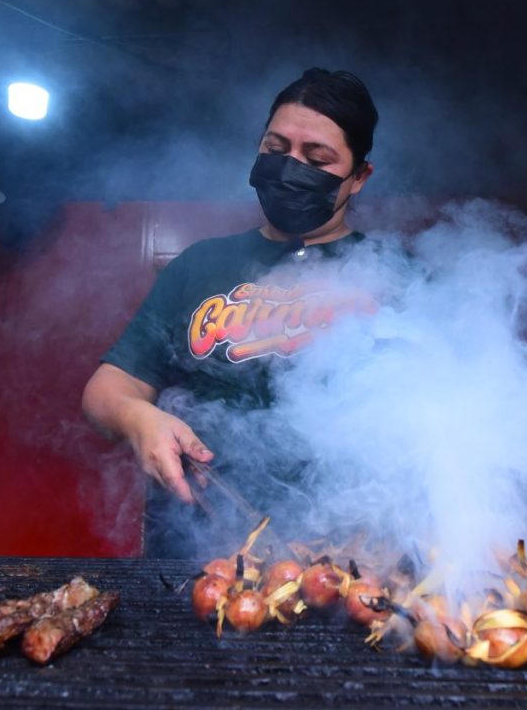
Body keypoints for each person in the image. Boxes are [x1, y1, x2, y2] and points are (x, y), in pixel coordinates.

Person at [82, 68, 379, 554]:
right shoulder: (201, 264)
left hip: (346, 560)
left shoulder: (399, 277)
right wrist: (138, 418)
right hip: (195, 549)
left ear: (359, 177)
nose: (289, 168)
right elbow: (108, 388)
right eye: (276, 149)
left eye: (316, 158)